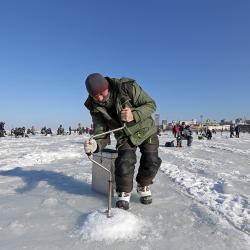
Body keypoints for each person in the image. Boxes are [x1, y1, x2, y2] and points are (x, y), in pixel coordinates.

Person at [83, 73, 162, 210]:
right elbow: (101, 132)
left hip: (146, 130)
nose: (100, 98)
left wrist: (134, 114)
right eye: (96, 96)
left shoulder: (126, 87)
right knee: (124, 161)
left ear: (107, 86)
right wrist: (95, 145)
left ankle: (143, 185)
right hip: (124, 135)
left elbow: (151, 104)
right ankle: (124, 191)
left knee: (152, 160)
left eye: (102, 92)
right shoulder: (95, 107)